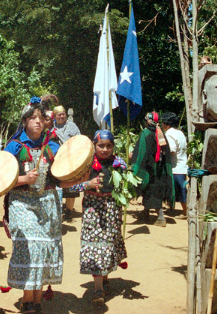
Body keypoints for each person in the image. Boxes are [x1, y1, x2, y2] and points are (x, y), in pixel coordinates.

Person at [4, 97, 86, 314]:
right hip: (21, 202)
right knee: (30, 246)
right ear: (24, 122)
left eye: (41, 118)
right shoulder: (13, 147)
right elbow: (0, 181)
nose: (38, 122)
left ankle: (36, 302)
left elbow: (59, 180)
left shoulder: (53, 146)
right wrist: (23, 180)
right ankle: (27, 300)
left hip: (49, 203)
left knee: (43, 249)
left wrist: (81, 179)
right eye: (32, 118)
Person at [70, 130, 127, 306]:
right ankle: (98, 289)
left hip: (111, 208)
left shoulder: (119, 164)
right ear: (94, 145)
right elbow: (71, 187)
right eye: (101, 145)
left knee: (108, 243)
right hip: (92, 210)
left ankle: (104, 276)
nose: (105, 149)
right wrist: (88, 184)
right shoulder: (85, 163)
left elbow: (124, 185)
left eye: (109, 146)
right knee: (95, 246)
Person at [131, 112, 174, 227]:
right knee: (151, 192)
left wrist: (135, 166)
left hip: (148, 171)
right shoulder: (161, 133)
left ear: (148, 121)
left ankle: (160, 217)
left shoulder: (146, 133)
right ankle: (145, 214)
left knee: (151, 193)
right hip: (159, 171)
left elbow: (141, 153)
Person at [53, 105, 81, 220]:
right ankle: (57, 209)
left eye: (63, 114)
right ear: (54, 116)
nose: (61, 116)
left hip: (70, 159)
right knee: (56, 185)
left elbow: (78, 139)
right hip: (56, 160)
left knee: (71, 186)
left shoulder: (72, 126)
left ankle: (69, 210)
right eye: (59, 114)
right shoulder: (51, 127)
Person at [160, 112, 188, 218]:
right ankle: (175, 209)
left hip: (176, 167)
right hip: (182, 165)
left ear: (166, 124)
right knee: (179, 189)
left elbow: (171, 150)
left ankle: (185, 212)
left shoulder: (169, 134)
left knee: (181, 189)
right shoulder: (179, 132)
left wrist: (161, 153)